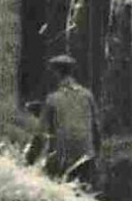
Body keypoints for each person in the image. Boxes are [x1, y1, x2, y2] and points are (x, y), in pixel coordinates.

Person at [32, 54, 102, 189]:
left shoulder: (52, 99)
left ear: (56, 73)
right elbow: (96, 129)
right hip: (86, 159)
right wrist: (95, 157)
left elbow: (40, 135)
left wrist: (29, 160)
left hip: (62, 160)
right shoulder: (87, 95)